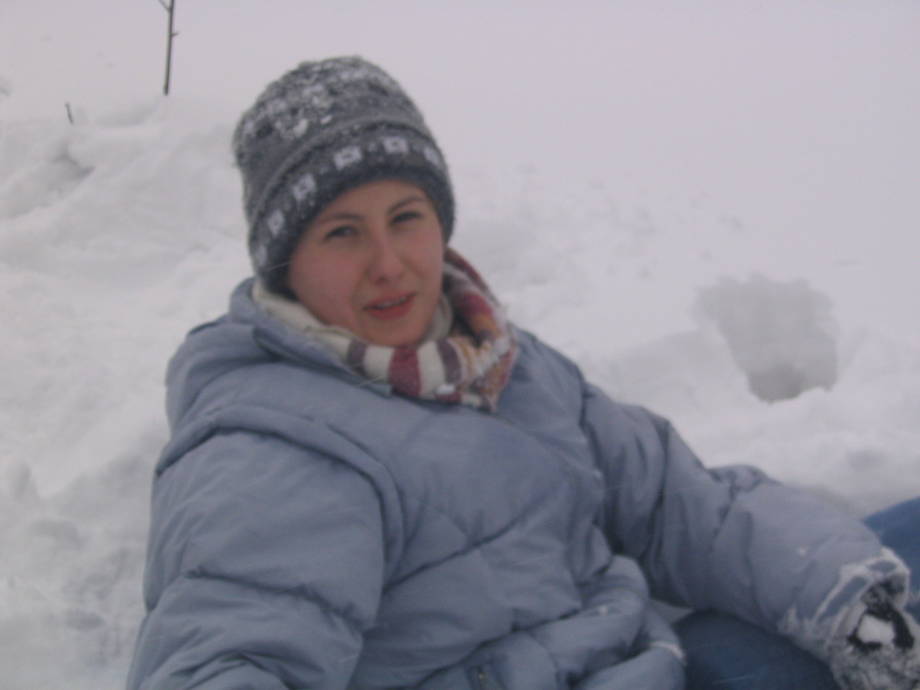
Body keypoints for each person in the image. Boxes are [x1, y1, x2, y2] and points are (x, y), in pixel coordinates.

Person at [127, 56, 920, 690]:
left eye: (406, 218)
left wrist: (853, 612)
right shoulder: (274, 445)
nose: (389, 263)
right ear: (285, 265)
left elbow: (677, 504)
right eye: (342, 232)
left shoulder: (496, 360)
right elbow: (227, 654)